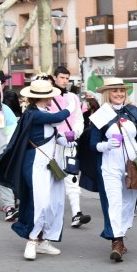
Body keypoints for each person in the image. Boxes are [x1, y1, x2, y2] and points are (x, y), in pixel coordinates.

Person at [81, 77, 137, 262]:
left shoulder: (133, 112)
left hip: (133, 166)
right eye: (115, 91)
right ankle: (116, 241)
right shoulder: (100, 115)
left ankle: (121, 233)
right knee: (114, 202)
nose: (119, 94)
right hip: (110, 165)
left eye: (121, 90)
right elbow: (92, 144)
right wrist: (106, 145)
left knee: (128, 204)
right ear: (107, 94)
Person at [0, 78, 74, 260]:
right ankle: (32, 240)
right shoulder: (33, 114)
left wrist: (67, 138)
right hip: (34, 164)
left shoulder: (42, 112)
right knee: (40, 202)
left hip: (49, 164)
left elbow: (52, 135)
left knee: (53, 203)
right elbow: (58, 117)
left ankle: (43, 239)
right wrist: (71, 107)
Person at [48, 67, 92, 228]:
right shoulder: (48, 97)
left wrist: (75, 134)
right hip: (52, 145)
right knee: (53, 179)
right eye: (62, 77)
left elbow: (79, 119)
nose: (65, 81)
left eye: (67, 78)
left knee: (72, 178)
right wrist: (59, 137)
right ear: (55, 78)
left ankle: (76, 213)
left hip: (71, 144)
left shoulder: (73, 97)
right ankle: (51, 216)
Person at [0, 78, 19, 221]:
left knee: (2, 179)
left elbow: (13, 129)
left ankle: (9, 208)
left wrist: (8, 150)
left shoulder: (4, 110)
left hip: (1, 151)